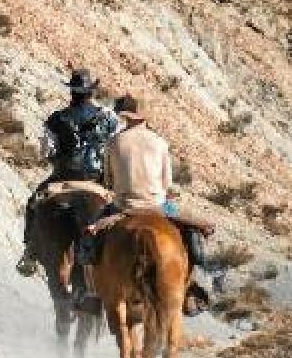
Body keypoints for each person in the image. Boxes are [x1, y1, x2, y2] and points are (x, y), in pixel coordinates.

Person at [82, 95, 209, 303]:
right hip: (158, 206)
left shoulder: (114, 142)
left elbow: (109, 180)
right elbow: (166, 183)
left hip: (123, 206)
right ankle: (190, 287)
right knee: (194, 234)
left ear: (126, 117)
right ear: (144, 118)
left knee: (89, 239)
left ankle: (92, 291)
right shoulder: (160, 143)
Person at [22, 68, 119, 259]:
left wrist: (56, 157)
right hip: (97, 179)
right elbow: (116, 147)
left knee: (33, 204)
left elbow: (47, 152)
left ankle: (30, 252)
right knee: (118, 212)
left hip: (63, 177)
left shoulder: (57, 119)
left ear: (72, 91)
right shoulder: (110, 118)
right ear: (92, 91)